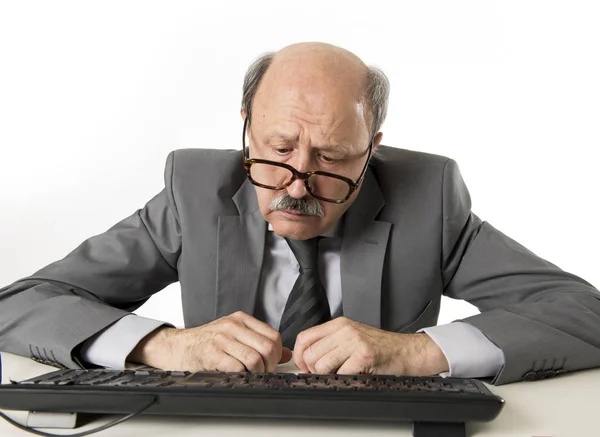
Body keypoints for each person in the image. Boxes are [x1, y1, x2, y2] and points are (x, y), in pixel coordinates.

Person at [1, 42, 599, 386]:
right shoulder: (193, 190)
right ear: (246, 127)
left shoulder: (428, 195)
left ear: (373, 149)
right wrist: (162, 346)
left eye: (333, 156)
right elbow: (22, 303)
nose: (296, 183)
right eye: (278, 149)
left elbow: (584, 313)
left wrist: (417, 352)